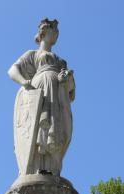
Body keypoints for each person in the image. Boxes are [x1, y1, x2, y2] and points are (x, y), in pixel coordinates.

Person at [8, 18, 75, 176]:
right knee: (40, 127)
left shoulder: (61, 61)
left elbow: (72, 92)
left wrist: (67, 79)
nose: (56, 35)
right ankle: (37, 167)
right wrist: (24, 82)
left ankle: (53, 168)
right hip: (40, 91)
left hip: (58, 95)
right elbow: (12, 70)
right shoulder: (33, 54)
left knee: (59, 128)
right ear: (44, 32)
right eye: (54, 31)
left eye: (57, 33)